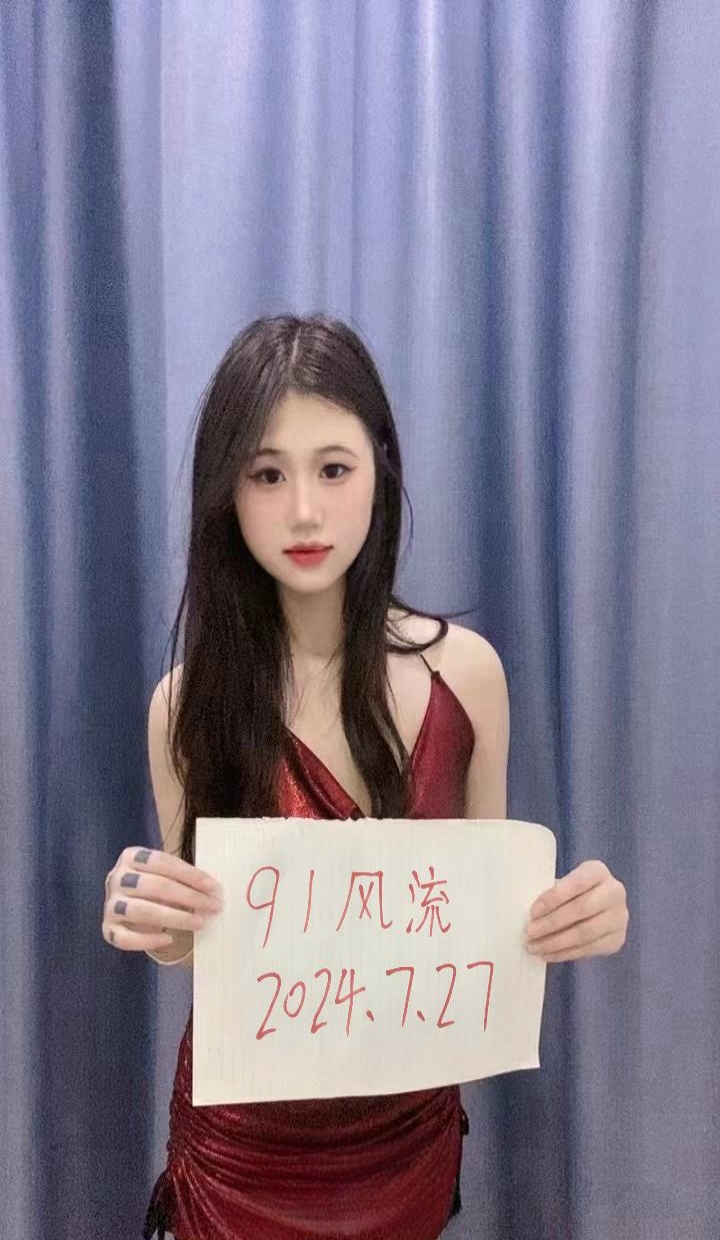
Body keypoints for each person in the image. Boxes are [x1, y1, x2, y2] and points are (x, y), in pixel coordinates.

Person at [101, 314, 629, 1240]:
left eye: (334, 469)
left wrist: (578, 915)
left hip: (407, 1141)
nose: (304, 511)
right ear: (226, 492)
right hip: (240, 1154)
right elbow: (193, 945)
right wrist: (150, 917)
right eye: (267, 475)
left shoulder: (468, 676)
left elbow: (484, 914)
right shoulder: (183, 705)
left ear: (381, 471)